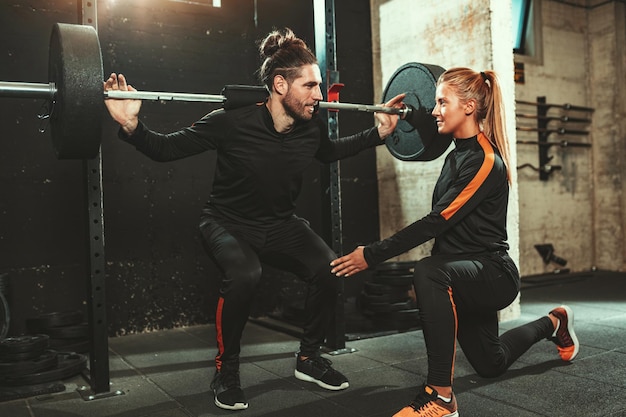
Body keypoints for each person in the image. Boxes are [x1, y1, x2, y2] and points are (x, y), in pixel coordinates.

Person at [103, 28, 404, 411]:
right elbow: (166, 148)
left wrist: (379, 133)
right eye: (310, 86)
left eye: (319, 86)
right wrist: (131, 125)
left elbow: (328, 153)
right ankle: (226, 371)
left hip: (279, 224)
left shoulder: (309, 127)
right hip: (226, 223)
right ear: (280, 85)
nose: (318, 95)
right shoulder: (229, 121)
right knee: (245, 274)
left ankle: (309, 359)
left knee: (329, 270)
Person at [330, 67, 579, 417]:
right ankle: (554, 323)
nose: (433, 111)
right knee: (492, 363)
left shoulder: (486, 161)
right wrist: (386, 128)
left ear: (469, 106)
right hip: (463, 275)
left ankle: (441, 397)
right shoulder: (456, 155)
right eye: (433, 102)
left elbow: (437, 221)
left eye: (441, 102)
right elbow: (448, 230)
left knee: (429, 271)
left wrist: (372, 255)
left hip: (492, 275)